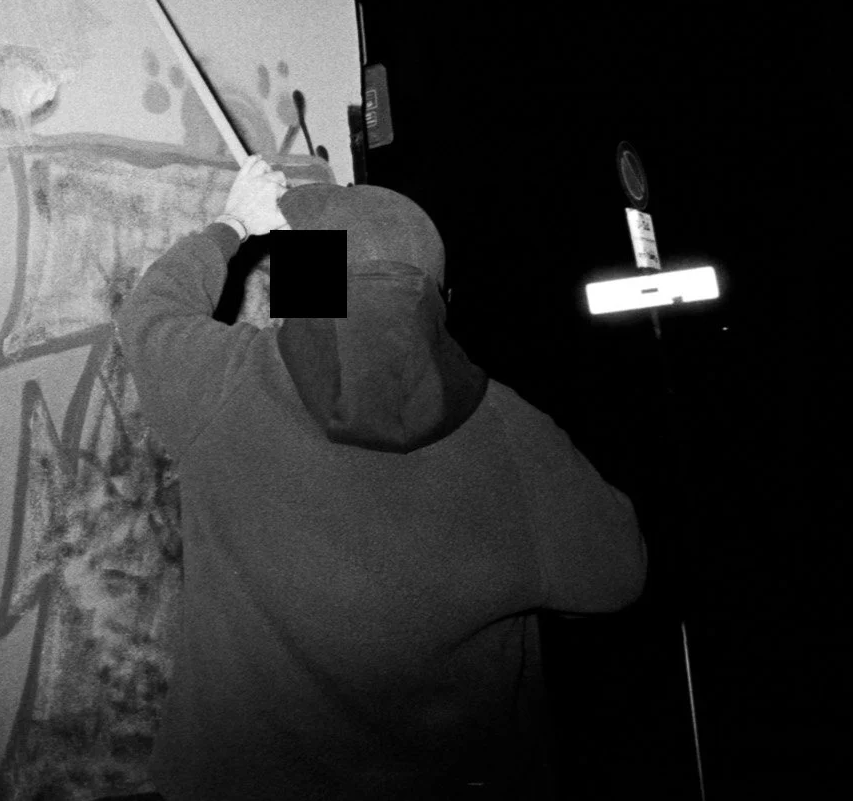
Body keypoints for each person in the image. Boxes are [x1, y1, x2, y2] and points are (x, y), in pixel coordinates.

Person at [115, 157, 647, 800]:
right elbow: (616, 576)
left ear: (304, 292)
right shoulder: (512, 431)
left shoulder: (226, 387)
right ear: (437, 299)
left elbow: (149, 313)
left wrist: (235, 222)